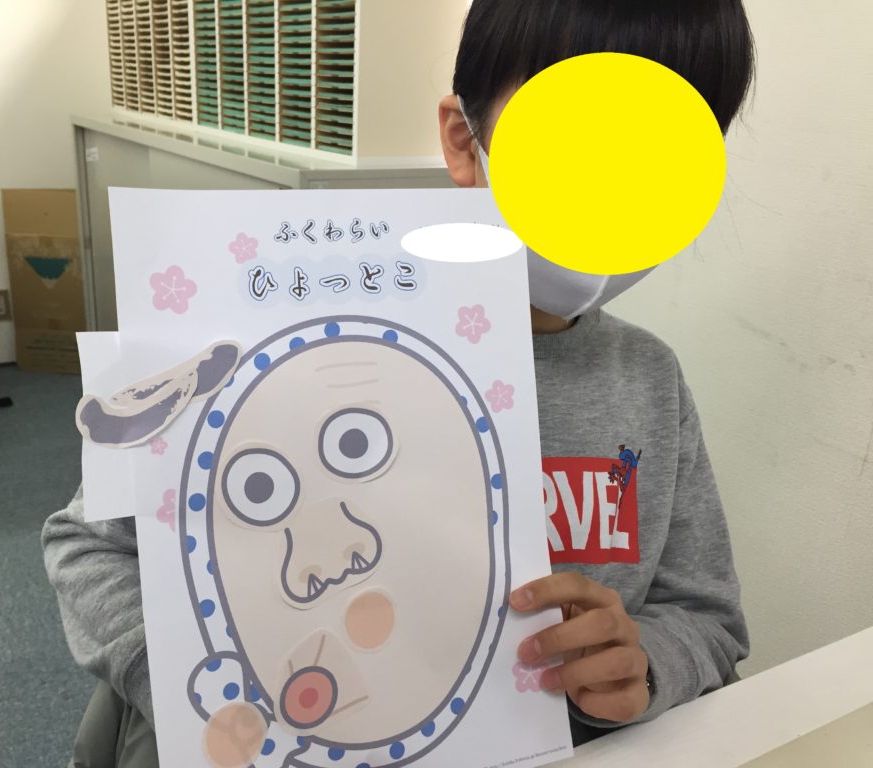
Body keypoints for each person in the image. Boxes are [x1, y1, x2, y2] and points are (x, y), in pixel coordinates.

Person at [43, 1, 756, 763]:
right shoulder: (280, 347)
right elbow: (88, 549)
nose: (616, 183)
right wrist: (186, 682)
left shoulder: (650, 378)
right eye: (577, 138)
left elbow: (706, 616)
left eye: (670, 154)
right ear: (466, 139)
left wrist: (642, 665)